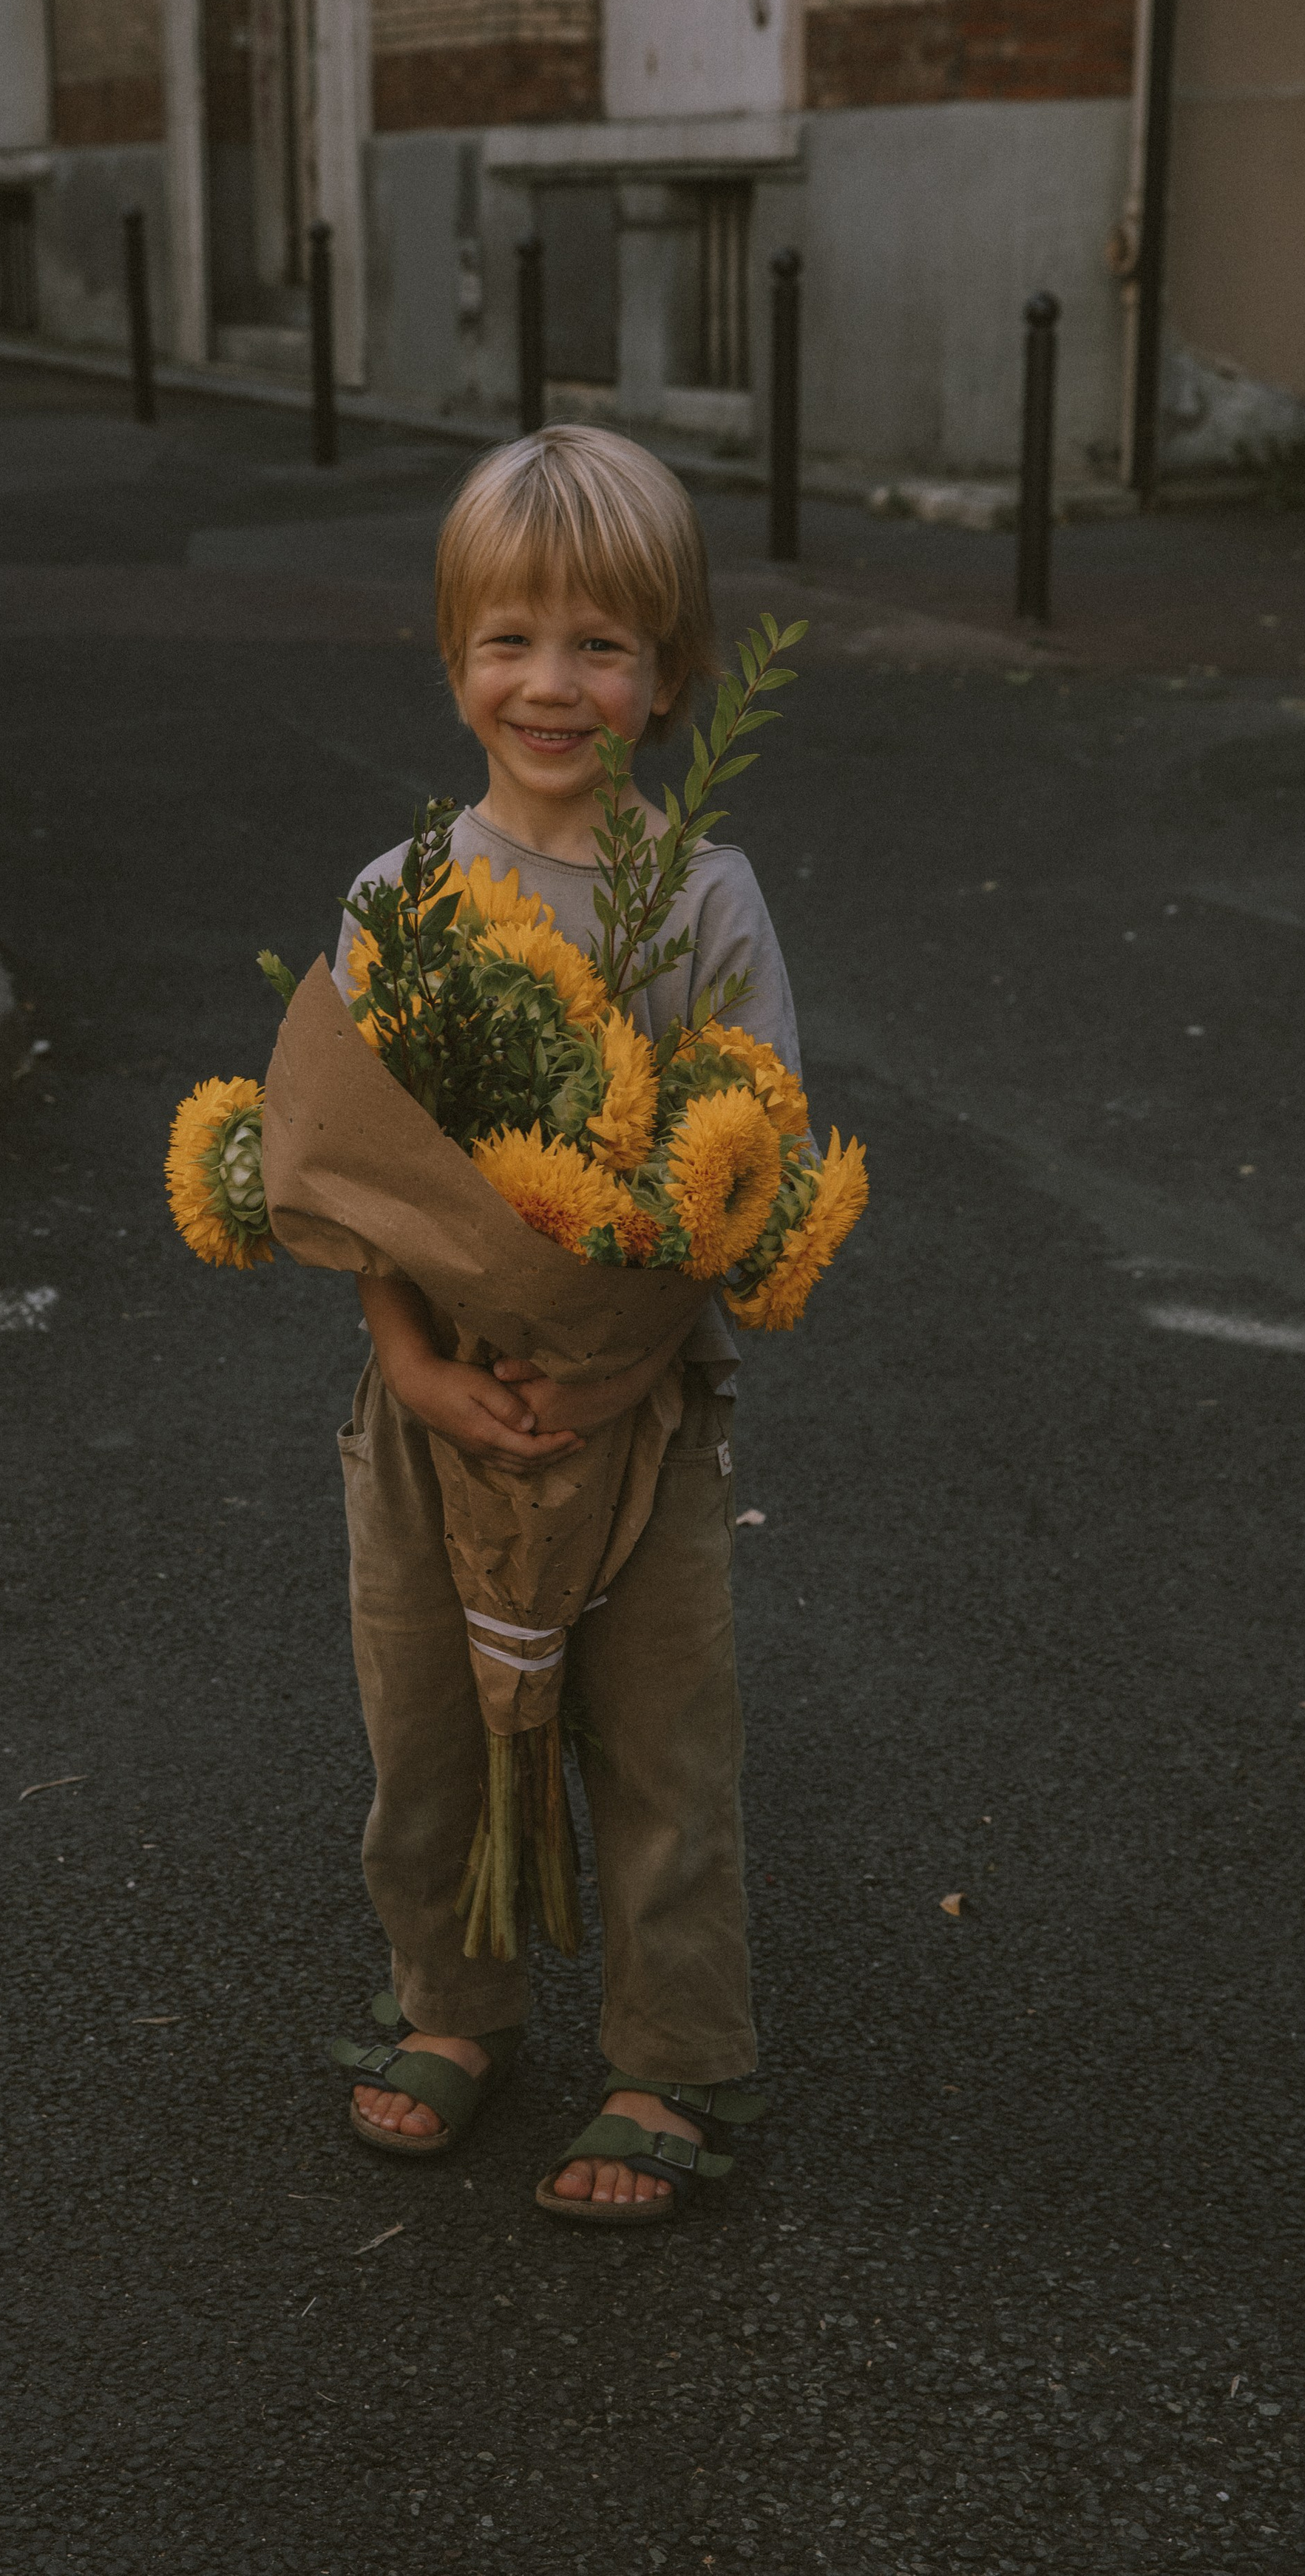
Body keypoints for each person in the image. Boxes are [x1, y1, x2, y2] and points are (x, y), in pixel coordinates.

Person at [326, 426, 801, 2223]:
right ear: (453, 655)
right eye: (511, 636)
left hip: (639, 1409)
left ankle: (674, 2060)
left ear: (671, 675)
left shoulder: (699, 898)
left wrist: (609, 1358)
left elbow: (743, 1154)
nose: (552, 681)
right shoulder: (397, 899)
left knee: (659, 1731)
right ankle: (449, 2008)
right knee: (429, 1727)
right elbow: (347, 1166)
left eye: (601, 645)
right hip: (424, 1411)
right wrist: (411, 1355)